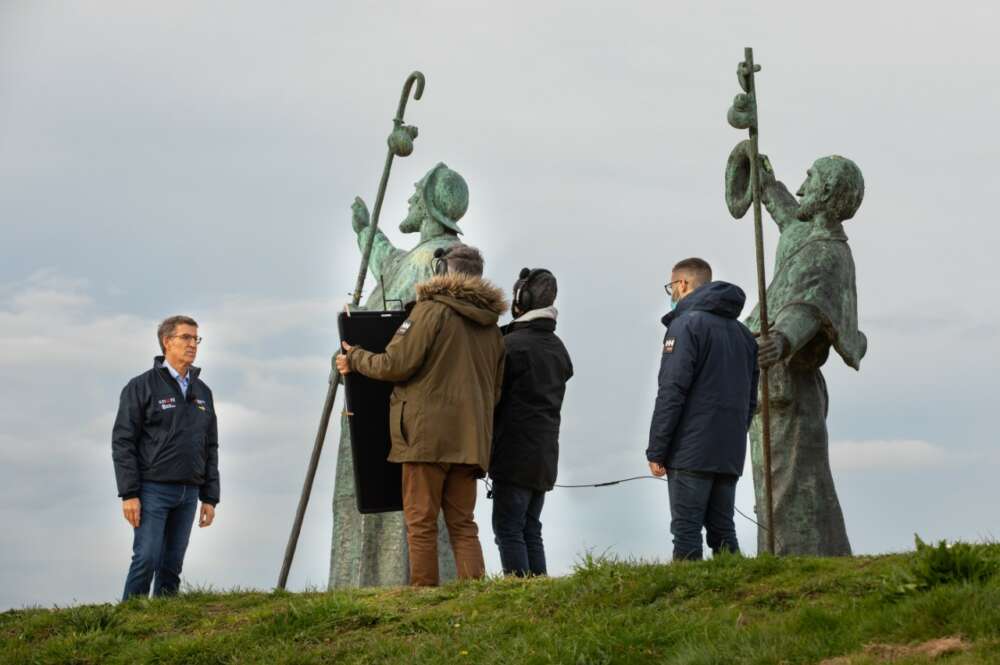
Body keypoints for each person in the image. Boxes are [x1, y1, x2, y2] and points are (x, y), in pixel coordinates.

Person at [332, 162, 470, 588]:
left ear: (429, 207)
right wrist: (365, 231)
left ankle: (392, 583)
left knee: (404, 508)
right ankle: (374, 581)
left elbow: (402, 331)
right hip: (387, 397)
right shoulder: (419, 256)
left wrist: (358, 358)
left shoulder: (435, 260)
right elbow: (387, 262)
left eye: (414, 197)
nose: (408, 202)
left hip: (398, 403)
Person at [336, 245, 506, 586]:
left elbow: (396, 364)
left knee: (421, 522)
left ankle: (423, 598)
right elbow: (496, 390)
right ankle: (476, 594)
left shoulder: (430, 311)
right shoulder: (492, 328)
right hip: (469, 442)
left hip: (425, 438)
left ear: (441, 270)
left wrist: (354, 359)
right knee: (463, 524)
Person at [747, 154, 867, 556]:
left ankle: (794, 555)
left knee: (789, 478)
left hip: (790, 378)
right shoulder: (804, 235)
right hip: (773, 380)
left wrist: (781, 340)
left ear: (828, 192)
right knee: (777, 477)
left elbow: (810, 307)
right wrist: (764, 181)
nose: (801, 189)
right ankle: (797, 552)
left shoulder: (829, 255)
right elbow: (787, 214)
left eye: (810, 181)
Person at [646, 258, 758, 561]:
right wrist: (735, 434)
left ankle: (688, 601)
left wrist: (656, 449)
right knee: (723, 529)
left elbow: (672, 390)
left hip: (690, 448)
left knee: (686, 531)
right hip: (729, 449)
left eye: (671, 286)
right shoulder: (744, 335)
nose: (671, 293)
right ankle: (739, 591)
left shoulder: (685, 326)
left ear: (682, 284)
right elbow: (751, 398)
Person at [112, 315, 220, 600]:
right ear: (166, 341)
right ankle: (128, 623)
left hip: (189, 491)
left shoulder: (203, 393)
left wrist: (210, 497)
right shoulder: (141, 386)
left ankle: (164, 626)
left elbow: (210, 446)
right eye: (185, 337)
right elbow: (123, 441)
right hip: (152, 489)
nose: (192, 344)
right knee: (146, 559)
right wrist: (129, 493)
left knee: (172, 566)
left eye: (196, 338)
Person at [489, 267, 574, 577]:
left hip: (513, 452)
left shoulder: (512, 346)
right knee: (530, 528)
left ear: (520, 300)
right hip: (544, 454)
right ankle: (538, 595)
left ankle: (519, 597)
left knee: (508, 528)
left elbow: (493, 398)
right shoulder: (557, 347)